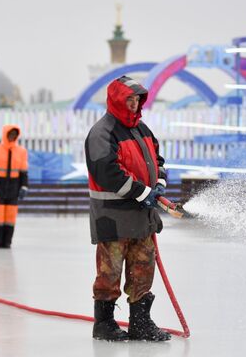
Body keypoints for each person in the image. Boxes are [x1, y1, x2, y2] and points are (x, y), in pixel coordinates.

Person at [84, 76, 170, 342]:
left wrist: (160, 181)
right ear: (116, 101)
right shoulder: (102, 133)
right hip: (113, 216)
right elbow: (107, 172)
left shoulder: (142, 129)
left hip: (142, 216)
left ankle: (140, 323)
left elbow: (157, 158)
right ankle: (105, 323)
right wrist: (143, 192)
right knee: (110, 271)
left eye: (137, 100)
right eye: (129, 100)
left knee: (143, 268)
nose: (133, 105)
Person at [0, 125, 28, 249]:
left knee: (10, 216)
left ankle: (7, 242)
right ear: (5, 134)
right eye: (10, 134)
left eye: (15, 134)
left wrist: (24, 186)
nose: (12, 136)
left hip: (13, 187)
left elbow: (23, 172)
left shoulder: (21, 151)